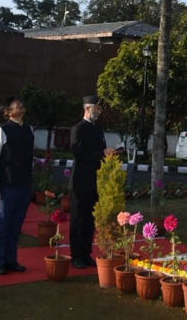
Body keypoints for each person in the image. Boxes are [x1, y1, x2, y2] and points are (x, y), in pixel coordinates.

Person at [0, 96, 34, 275]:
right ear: (8, 111)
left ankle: (11, 260)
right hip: (8, 184)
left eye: (21, 103)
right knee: (3, 224)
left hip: (24, 183)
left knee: (16, 225)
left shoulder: (29, 129)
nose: (20, 105)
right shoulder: (2, 130)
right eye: (15, 104)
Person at [69, 95, 116, 268]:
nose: (99, 112)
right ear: (88, 109)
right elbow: (78, 153)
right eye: (97, 109)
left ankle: (86, 252)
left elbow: (99, 149)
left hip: (96, 178)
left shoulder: (98, 129)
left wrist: (108, 154)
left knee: (90, 218)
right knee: (79, 217)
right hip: (81, 179)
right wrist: (100, 153)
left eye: (100, 109)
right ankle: (76, 255)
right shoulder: (78, 129)